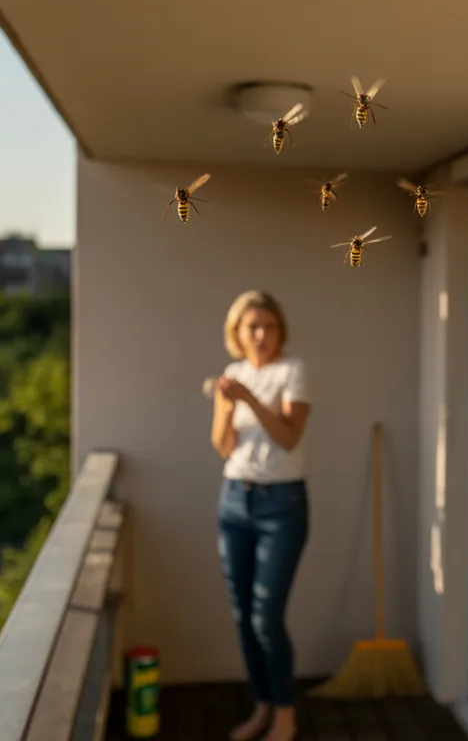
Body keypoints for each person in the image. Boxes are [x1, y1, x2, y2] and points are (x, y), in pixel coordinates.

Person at [210, 290, 312, 741]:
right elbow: (223, 446)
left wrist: (250, 399)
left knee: (266, 616)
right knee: (242, 615)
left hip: (282, 504)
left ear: (280, 330)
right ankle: (262, 705)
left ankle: (286, 715)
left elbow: (289, 437)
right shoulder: (232, 374)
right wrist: (227, 404)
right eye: (252, 326)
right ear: (237, 331)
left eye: (269, 326)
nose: (260, 335)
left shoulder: (292, 371)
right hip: (235, 499)